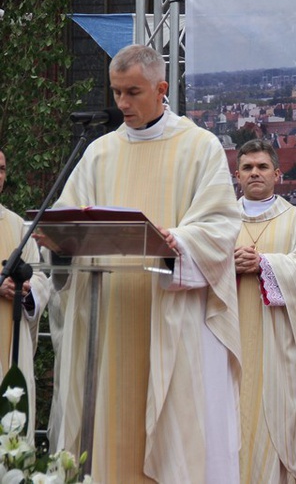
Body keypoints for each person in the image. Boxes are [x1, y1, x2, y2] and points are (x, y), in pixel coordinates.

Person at [40, 44, 241, 483]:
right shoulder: (98, 153)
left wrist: (179, 240)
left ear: (161, 88)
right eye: (116, 93)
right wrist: (54, 240)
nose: (123, 104)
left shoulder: (199, 147)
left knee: (173, 431)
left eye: (133, 92)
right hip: (107, 320)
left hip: (170, 317)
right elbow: (70, 218)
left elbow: (221, 224)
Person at [233, 139, 296, 483]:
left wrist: (265, 264)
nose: (254, 173)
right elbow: (197, 268)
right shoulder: (219, 223)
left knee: (282, 437)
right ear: (237, 175)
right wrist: (227, 266)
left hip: (283, 352)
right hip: (232, 350)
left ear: (277, 173)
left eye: (261, 167)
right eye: (247, 167)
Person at [0, 149, 51, 437]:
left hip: (13, 351)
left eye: (2, 169)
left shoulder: (18, 226)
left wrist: (27, 291)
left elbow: (40, 274)